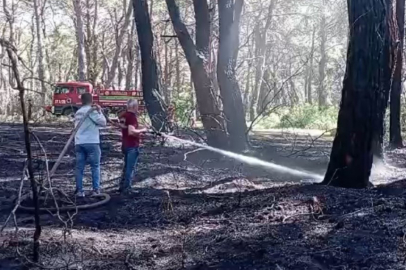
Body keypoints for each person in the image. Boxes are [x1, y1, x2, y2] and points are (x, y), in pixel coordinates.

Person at [74, 93, 107, 197]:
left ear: (81, 101)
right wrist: (99, 111)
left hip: (79, 142)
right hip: (91, 142)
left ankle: (79, 190)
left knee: (79, 167)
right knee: (95, 166)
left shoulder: (78, 112)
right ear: (91, 100)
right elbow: (103, 122)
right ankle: (96, 190)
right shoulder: (91, 111)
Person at [118, 99, 148, 193]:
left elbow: (124, 127)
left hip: (125, 144)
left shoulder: (124, 115)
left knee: (126, 166)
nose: (138, 107)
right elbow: (131, 131)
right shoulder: (132, 117)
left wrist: (137, 130)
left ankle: (122, 187)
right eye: (137, 106)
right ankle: (127, 188)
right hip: (132, 145)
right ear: (134, 107)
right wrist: (142, 130)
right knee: (130, 168)